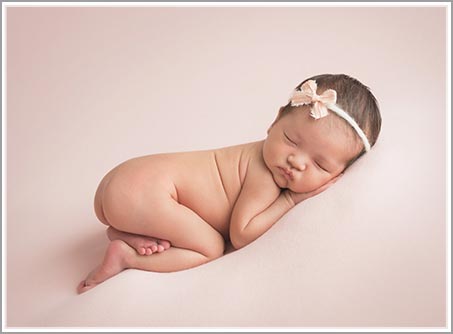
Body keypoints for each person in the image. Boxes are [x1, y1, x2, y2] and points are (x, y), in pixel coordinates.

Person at [77, 73, 381, 294]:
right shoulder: (264, 174)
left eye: (319, 164)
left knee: (194, 231)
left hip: (127, 184)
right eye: (290, 140)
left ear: (338, 174)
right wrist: (290, 201)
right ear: (275, 122)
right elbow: (242, 234)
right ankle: (126, 257)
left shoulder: (267, 158)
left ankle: (126, 229)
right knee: (211, 247)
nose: (296, 162)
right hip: (145, 191)